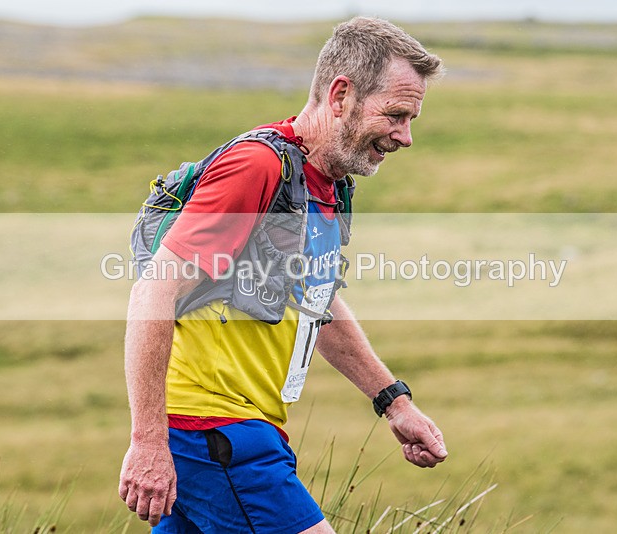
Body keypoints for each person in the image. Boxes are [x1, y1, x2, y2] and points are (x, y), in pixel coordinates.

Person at [119, 16, 447, 533]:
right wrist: (148, 442)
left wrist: (393, 402)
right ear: (340, 95)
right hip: (212, 429)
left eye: (411, 119)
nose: (405, 137)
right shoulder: (257, 167)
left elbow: (316, 302)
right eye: (395, 115)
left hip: (236, 430)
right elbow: (152, 291)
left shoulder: (325, 184)